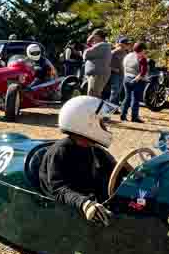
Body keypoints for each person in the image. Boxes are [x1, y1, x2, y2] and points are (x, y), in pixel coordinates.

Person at [39, 96, 116, 227]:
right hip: (70, 205)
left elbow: (115, 169)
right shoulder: (60, 152)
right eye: (102, 123)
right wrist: (84, 203)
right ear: (87, 123)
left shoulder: (94, 149)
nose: (105, 126)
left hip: (90, 198)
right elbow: (58, 189)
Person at [121, 41, 148, 123]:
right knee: (135, 100)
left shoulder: (128, 56)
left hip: (126, 78)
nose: (145, 52)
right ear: (142, 49)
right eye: (144, 50)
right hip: (136, 80)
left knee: (127, 98)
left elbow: (124, 66)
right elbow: (143, 73)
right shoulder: (142, 58)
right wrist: (136, 80)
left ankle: (123, 114)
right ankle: (134, 117)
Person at [83, 29, 111, 98]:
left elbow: (86, 54)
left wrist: (88, 44)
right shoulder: (100, 45)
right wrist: (89, 42)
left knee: (93, 95)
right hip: (97, 74)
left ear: (98, 36)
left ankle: (95, 109)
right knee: (92, 94)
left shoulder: (102, 45)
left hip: (98, 74)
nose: (92, 38)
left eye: (94, 36)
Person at [108, 36, 130, 105]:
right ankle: (111, 106)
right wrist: (114, 69)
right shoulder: (113, 52)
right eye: (126, 44)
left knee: (119, 91)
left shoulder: (125, 53)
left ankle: (115, 107)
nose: (128, 45)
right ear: (121, 44)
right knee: (115, 90)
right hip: (114, 74)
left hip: (122, 74)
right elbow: (106, 64)